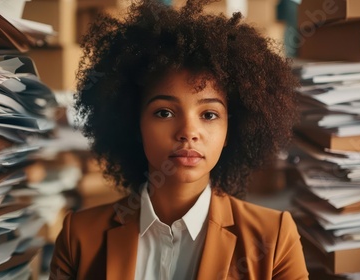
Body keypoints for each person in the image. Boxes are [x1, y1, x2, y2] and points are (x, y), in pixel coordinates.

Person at [49, 0, 308, 279]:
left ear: (231, 131)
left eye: (209, 114)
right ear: (133, 125)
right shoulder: (79, 237)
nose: (188, 131)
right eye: (164, 112)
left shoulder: (274, 238)